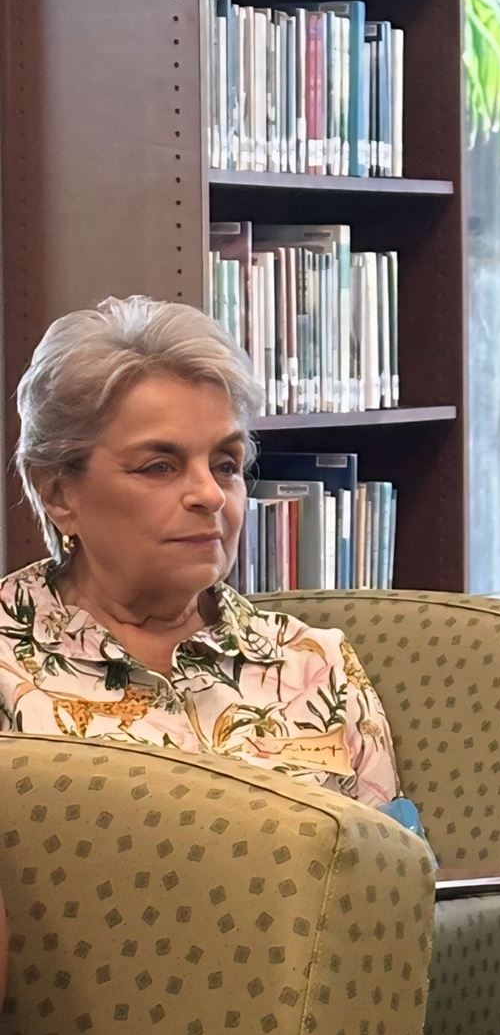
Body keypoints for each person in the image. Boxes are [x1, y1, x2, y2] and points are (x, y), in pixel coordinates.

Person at [3, 296, 404, 807]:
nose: (210, 495)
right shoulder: (7, 671)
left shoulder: (314, 663)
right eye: (159, 467)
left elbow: (394, 874)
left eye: (226, 464)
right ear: (58, 494)